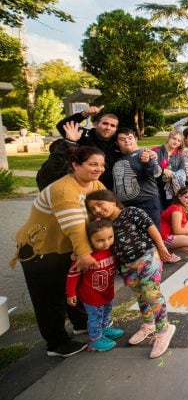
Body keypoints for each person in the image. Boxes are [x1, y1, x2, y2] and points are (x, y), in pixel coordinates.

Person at [12, 146, 106, 357]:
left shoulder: (95, 184)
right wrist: (85, 255)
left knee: (72, 288)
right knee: (49, 299)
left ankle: (81, 323)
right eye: (93, 164)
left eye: (101, 164)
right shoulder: (63, 190)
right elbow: (75, 228)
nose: (99, 169)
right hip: (41, 250)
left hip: (66, 249)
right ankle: (56, 344)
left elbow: (107, 209)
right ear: (75, 165)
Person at [85, 190, 176, 358]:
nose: (96, 210)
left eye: (99, 204)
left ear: (112, 200)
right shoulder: (103, 225)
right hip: (126, 266)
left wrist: (162, 248)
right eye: (92, 209)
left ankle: (164, 328)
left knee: (151, 293)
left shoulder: (131, 212)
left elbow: (151, 228)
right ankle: (149, 323)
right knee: (141, 296)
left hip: (147, 257)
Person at [65, 218, 124, 352]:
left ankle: (104, 330)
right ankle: (95, 340)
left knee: (106, 312)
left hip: (107, 291)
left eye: (110, 237)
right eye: (100, 240)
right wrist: (71, 293)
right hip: (91, 294)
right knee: (95, 317)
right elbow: (73, 274)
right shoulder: (85, 256)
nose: (106, 243)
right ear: (89, 240)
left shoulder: (112, 250)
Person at [54, 105, 121, 189]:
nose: (108, 128)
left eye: (112, 126)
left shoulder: (118, 143)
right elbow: (62, 125)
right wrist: (84, 115)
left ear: (116, 129)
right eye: (105, 123)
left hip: (110, 190)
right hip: (84, 187)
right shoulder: (84, 135)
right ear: (95, 124)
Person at [113, 128, 163, 227]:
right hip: (125, 207)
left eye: (130, 138)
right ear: (117, 143)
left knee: (153, 237)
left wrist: (148, 162)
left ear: (135, 139)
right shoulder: (117, 157)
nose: (127, 141)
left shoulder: (144, 154)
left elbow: (157, 173)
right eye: (122, 139)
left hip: (147, 204)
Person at [153, 130, 188, 209]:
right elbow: (150, 167)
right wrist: (163, 171)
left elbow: (183, 172)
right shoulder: (156, 151)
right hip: (155, 187)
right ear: (169, 138)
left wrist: (173, 175)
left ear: (180, 143)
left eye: (179, 141)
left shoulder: (180, 155)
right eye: (174, 138)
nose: (176, 142)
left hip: (171, 189)